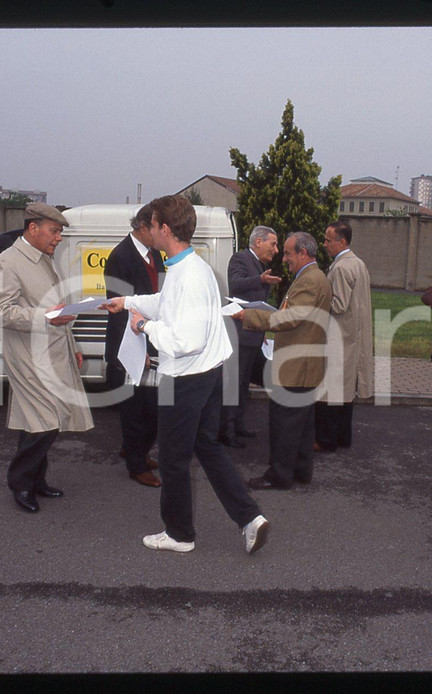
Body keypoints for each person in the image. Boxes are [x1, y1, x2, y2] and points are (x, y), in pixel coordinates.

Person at [99, 195, 269, 555]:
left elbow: (184, 341)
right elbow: (166, 302)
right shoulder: (189, 266)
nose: (148, 229)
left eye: (154, 223)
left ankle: (179, 534)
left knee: (174, 458)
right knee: (207, 446)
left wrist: (144, 326)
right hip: (207, 374)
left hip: (187, 378)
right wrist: (128, 303)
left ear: (165, 229)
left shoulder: (188, 276)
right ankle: (250, 518)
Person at [0, 202, 94, 513]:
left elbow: (58, 307)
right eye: (54, 231)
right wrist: (44, 316)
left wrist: (72, 342)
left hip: (53, 350)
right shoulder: (5, 262)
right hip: (27, 356)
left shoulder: (46, 259)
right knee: (46, 420)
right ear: (33, 229)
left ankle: (35, 480)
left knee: (35, 421)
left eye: (60, 232)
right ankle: (20, 483)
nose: (58, 238)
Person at [239, 231, 332, 489]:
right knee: (301, 424)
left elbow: (290, 318)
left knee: (284, 424)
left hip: (296, 366)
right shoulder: (313, 276)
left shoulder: (310, 280)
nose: (285, 257)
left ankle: (279, 476)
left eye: (289, 253)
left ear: (303, 253)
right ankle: (301, 470)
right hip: (304, 363)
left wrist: (247, 316)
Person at [102, 203, 162, 488]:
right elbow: (121, 308)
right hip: (131, 340)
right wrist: (139, 349)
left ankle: (134, 449)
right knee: (136, 408)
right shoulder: (120, 257)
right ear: (141, 227)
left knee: (150, 406)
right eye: (156, 227)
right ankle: (136, 465)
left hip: (150, 336)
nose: (161, 233)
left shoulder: (155, 255)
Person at [218, 225, 281, 448]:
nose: (276, 249)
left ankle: (238, 425)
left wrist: (263, 330)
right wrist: (260, 280)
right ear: (258, 242)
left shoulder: (259, 265)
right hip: (239, 334)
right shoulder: (240, 259)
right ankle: (225, 430)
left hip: (253, 334)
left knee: (243, 383)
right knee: (234, 382)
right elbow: (235, 285)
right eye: (272, 244)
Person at [314, 221, 374, 453]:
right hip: (352, 334)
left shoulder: (340, 268)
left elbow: (337, 305)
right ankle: (342, 436)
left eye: (328, 240)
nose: (325, 244)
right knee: (345, 389)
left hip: (338, 335)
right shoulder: (357, 263)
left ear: (342, 241)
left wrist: (316, 301)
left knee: (330, 389)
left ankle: (326, 440)